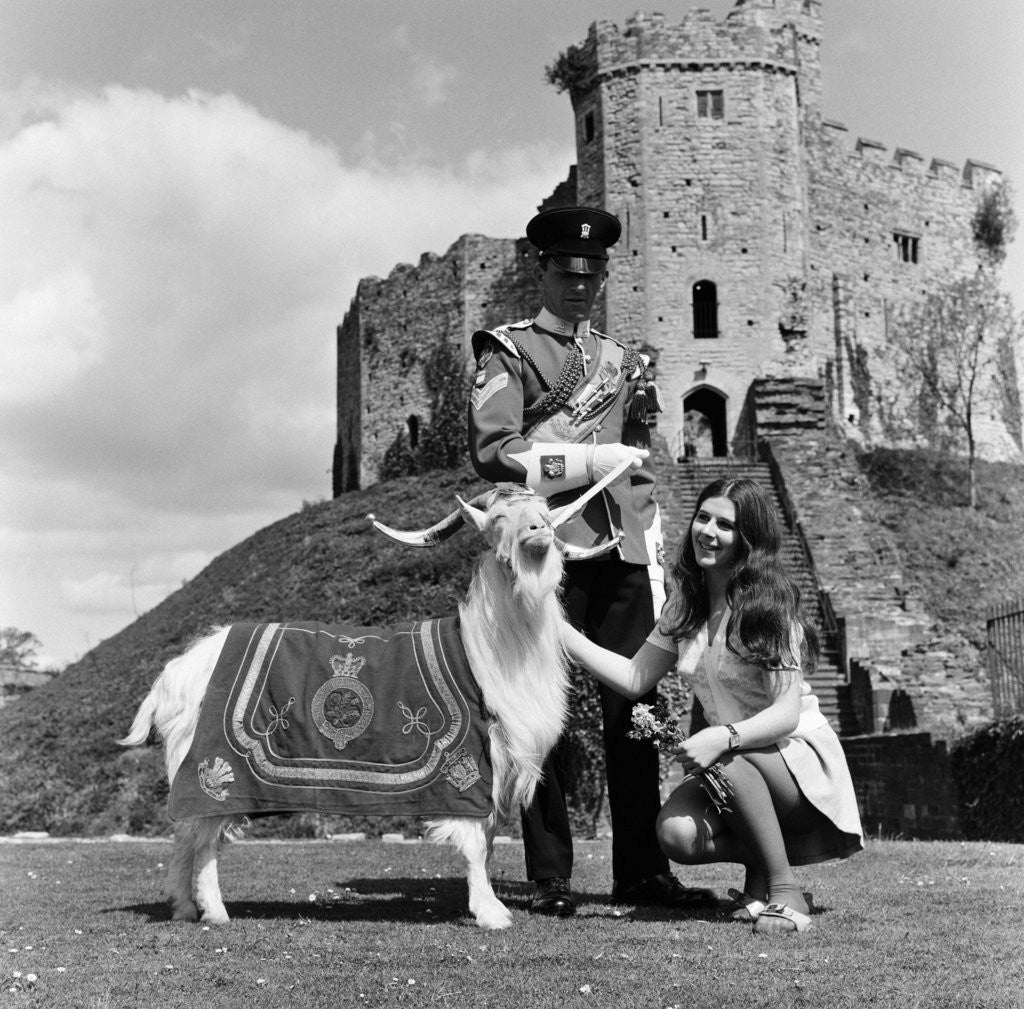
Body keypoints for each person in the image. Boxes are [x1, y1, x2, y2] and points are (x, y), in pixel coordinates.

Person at [468, 205, 714, 916]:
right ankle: (548, 874)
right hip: (546, 549)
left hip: (621, 550)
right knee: (537, 710)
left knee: (634, 711)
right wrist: (582, 457)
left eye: (591, 274)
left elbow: (635, 463)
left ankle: (641, 869)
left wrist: (656, 555)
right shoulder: (508, 353)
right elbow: (493, 451)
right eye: (566, 272)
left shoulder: (622, 362)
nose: (579, 285)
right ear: (542, 271)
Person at [562, 477, 865, 933]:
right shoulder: (684, 605)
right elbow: (633, 677)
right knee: (676, 835)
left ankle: (785, 891)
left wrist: (721, 736)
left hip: (799, 762)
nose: (708, 531)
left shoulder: (770, 606)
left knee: (729, 758)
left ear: (748, 540)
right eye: (703, 518)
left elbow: (784, 715)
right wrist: (560, 631)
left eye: (725, 525)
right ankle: (762, 876)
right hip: (736, 762)